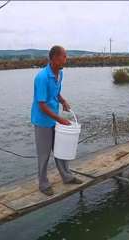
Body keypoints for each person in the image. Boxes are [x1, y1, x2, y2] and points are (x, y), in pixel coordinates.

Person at [31, 45, 82, 196]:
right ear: (54, 58)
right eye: (64, 56)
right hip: (42, 121)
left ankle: (67, 176)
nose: (66, 59)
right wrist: (59, 119)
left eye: (66, 56)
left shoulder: (59, 74)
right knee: (44, 153)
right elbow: (41, 105)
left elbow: (56, 93)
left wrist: (63, 101)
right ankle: (43, 183)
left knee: (60, 150)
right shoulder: (42, 77)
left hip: (54, 119)